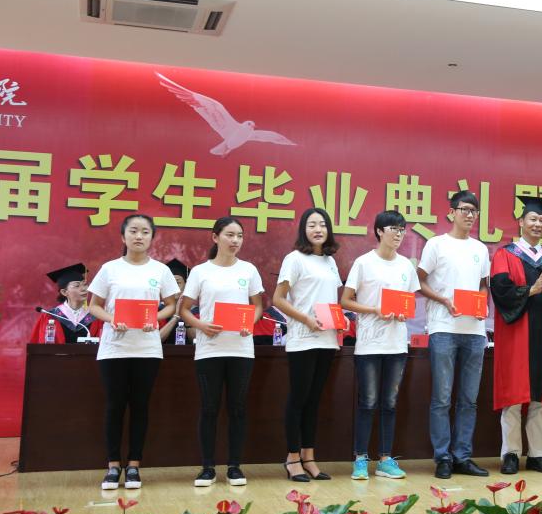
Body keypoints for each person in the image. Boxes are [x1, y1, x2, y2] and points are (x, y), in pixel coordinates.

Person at [87, 214, 178, 490]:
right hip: (114, 348)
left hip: (147, 348)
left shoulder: (160, 271)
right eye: (134, 231)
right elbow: (94, 305)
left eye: (145, 232)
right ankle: (113, 465)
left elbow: (171, 305)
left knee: (140, 406)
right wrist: (112, 319)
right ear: (123, 236)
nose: (139, 236)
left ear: (152, 237)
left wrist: (155, 318)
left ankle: (135, 465)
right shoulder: (110, 269)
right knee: (115, 405)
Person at [180, 216, 264, 487]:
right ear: (215, 237)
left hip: (241, 349)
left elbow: (258, 305)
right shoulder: (201, 271)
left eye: (239, 236)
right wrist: (201, 325)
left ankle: (235, 467)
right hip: (209, 350)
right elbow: (184, 309)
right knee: (209, 408)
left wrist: (250, 322)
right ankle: (207, 468)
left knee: (238, 408)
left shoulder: (248, 270)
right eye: (229, 235)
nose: (235, 240)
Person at [490, 195, 542, 475]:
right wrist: (531, 290)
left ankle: (538, 454)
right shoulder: (505, 255)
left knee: (540, 397)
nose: (538, 224)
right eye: (533, 219)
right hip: (515, 334)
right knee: (513, 395)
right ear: (521, 222)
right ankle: (511, 453)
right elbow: (501, 290)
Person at [340, 210, 420, 480]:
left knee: (390, 403)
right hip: (369, 345)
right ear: (379, 231)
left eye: (402, 229)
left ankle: (386, 459)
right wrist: (374, 310)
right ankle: (360, 459)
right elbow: (346, 301)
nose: (398, 234)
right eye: (393, 228)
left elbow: (409, 303)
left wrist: (403, 313)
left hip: (396, 344)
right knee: (368, 402)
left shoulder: (406, 266)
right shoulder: (364, 263)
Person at [418, 191, 491, 479]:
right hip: (444, 329)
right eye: (464, 209)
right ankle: (443, 458)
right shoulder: (436, 244)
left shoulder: (480, 248)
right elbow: (420, 281)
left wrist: (482, 303)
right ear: (451, 212)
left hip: (475, 332)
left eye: (474, 211)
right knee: (442, 398)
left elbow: (483, 284)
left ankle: (462, 456)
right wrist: (444, 300)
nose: (470, 215)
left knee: (469, 400)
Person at [273, 207, 343, 482]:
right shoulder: (294, 259)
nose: (318, 229)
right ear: (303, 229)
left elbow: (330, 300)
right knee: (298, 399)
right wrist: (305, 319)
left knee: (314, 401)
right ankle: (292, 458)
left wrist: (339, 321)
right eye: (312, 225)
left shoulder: (330, 261)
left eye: (322, 224)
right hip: (302, 339)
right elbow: (278, 299)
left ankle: (309, 457)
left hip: (327, 338)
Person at [30, 263, 100, 343]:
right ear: (64, 292)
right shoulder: (51, 316)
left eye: (85, 285)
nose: (84, 289)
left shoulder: (95, 315)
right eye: (77, 286)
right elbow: (40, 345)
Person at [159, 258, 192, 344]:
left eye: (178, 282)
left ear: (186, 285)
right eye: (170, 283)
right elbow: (156, 339)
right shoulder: (158, 310)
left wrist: (186, 314)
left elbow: (196, 340)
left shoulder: (194, 311)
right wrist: (176, 316)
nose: (174, 287)